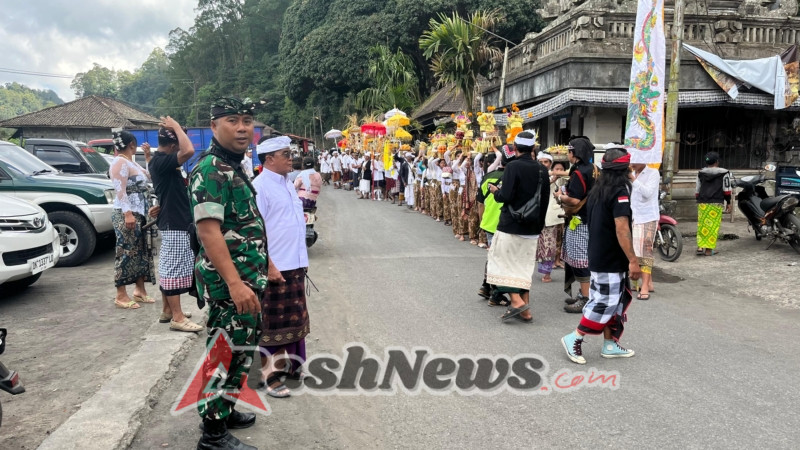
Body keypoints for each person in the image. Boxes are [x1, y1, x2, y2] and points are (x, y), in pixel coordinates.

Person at [191, 97, 266, 450]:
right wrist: (235, 284)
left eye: (247, 120)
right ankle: (213, 435)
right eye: (232, 120)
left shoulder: (232, 165)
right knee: (224, 353)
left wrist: (270, 266)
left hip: (248, 277)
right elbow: (209, 232)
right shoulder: (210, 169)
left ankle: (225, 408)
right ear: (214, 127)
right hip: (229, 284)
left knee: (240, 351)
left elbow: (246, 223)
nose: (242, 127)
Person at [561, 146, 641, 365]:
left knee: (613, 302)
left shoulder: (599, 188)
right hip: (609, 258)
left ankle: (609, 344)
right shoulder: (620, 191)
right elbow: (622, 229)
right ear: (624, 168)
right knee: (604, 303)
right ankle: (575, 337)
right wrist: (634, 260)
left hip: (600, 254)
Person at [253, 135, 311, 399]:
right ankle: (268, 375)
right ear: (269, 159)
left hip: (294, 263)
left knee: (292, 320)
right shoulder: (260, 186)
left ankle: (286, 366)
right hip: (276, 267)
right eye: (285, 154)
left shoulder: (287, 184)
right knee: (273, 325)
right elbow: (256, 233)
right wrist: (269, 265)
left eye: (291, 153)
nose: (291, 158)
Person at [487, 131, 551, 323]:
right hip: (533, 227)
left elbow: (505, 197)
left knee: (500, 263)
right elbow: (545, 200)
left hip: (511, 224)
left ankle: (516, 301)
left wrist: (495, 191)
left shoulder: (513, 166)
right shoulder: (542, 169)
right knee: (523, 267)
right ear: (533, 148)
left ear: (515, 148)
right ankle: (525, 311)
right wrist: (539, 225)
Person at [148, 118, 203, 332]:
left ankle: (168, 311)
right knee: (172, 270)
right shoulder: (161, 160)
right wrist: (178, 128)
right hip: (175, 223)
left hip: (175, 220)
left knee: (171, 266)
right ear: (172, 146)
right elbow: (188, 150)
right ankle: (178, 318)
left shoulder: (160, 161)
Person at [110, 130, 156, 310]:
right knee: (126, 251)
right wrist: (127, 213)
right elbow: (119, 190)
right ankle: (120, 295)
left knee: (140, 251)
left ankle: (140, 290)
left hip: (140, 213)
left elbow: (151, 177)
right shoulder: (119, 162)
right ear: (132, 145)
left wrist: (147, 157)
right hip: (126, 213)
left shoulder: (131, 162)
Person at [556, 136, 596, 313]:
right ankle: (584, 294)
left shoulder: (579, 172)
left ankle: (586, 299)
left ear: (575, 153)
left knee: (580, 261)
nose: (567, 154)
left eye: (569, 152)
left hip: (580, 221)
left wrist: (560, 196)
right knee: (586, 259)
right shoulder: (594, 169)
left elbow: (574, 199)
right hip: (593, 218)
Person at [476, 148, 510, 307]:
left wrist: (482, 221)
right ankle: (496, 292)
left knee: (493, 255)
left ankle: (486, 286)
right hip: (506, 223)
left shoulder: (487, 177)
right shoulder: (512, 177)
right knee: (501, 259)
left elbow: (480, 203)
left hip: (489, 223)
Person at [630, 158, 661, 300]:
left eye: (635, 160)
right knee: (635, 250)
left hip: (648, 216)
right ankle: (647, 283)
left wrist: (632, 179)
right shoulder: (632, 173)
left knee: (645, 251)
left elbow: (647, 193)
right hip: (633, 216)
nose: (632, 164)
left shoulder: (653, 173)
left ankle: (644, 287)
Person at [696, 151, 733, 256]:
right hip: (716, 202)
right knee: (713, 226)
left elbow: (697, 189)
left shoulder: (700, 173)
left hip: (703, 202)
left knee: (702, 224)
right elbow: (726, 189)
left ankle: (700, 246)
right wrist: (728, 202)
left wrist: (699, 199)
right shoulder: (724, 173)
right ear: (717, 161)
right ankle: (708, 250)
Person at [536, 151, 566, 283]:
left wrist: (556, 174)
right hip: (536, 215)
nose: (543, 164)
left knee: (549, 244)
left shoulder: (559, 178)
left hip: (551, 216)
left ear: (550, 164)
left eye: (546, 162)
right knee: (540, 244)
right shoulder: (536, 175)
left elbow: (570, 175)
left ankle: (547, 273)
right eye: (541, 162)